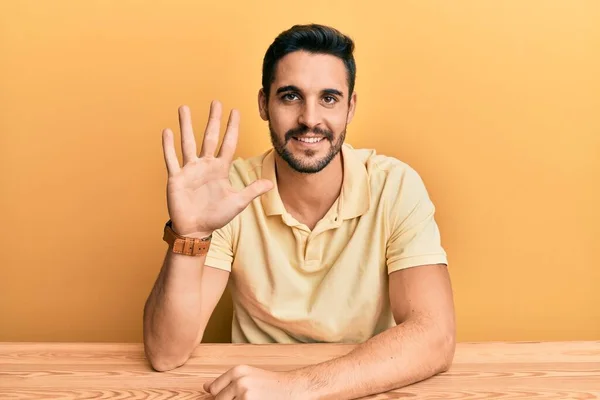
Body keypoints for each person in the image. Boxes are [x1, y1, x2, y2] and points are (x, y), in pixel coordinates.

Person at [143, 23, 456, 399]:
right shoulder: (230, 193)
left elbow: (435, 336)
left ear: (350, 107)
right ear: (264, 103)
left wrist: (293, 388)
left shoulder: (395, 186)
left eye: (328, 98)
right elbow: (165, 353)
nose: (310, 118)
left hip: (367, 385)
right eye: (291, 97)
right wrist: (188, 235)